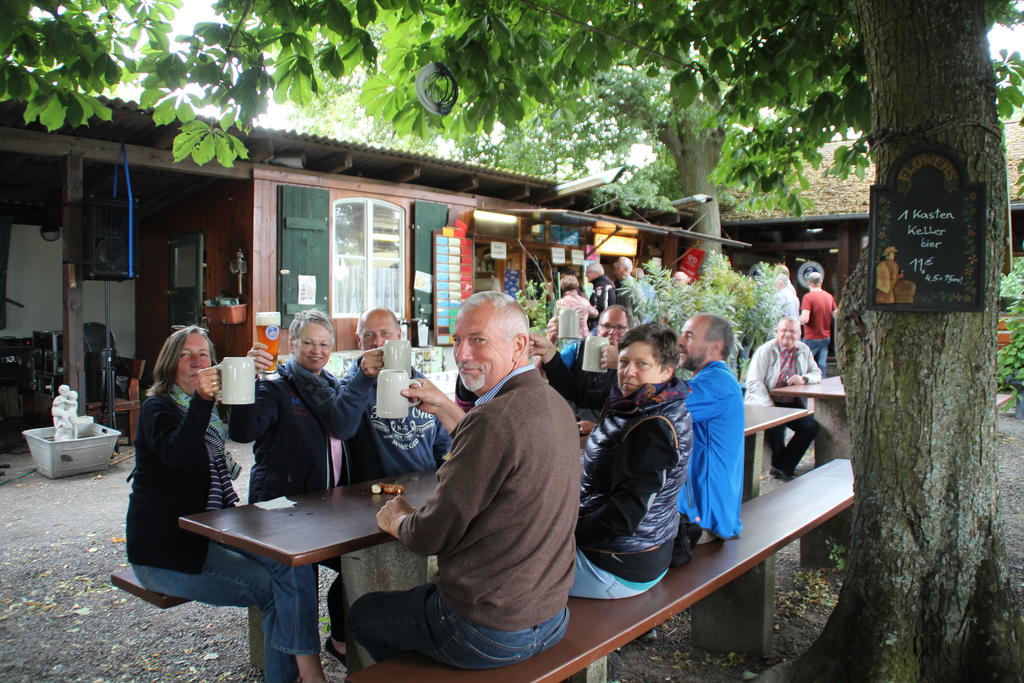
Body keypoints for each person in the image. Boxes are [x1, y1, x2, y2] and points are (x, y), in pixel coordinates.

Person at [346, 292, 580, 670]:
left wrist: (399, 519)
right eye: (457, 340)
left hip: (489, 631)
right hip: (552, 615)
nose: (462, 354)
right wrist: (443, 407)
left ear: (519, 345)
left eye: (478, 340)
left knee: (364, 614)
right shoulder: (552, 402)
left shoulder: (494, 419)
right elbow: (495, 454)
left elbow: (429, 536)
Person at [125, 326, 325, 683]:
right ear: (171, 363)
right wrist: (202, 401)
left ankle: (304, 672)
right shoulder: (159, 408)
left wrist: (248, 376)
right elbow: (179, 456)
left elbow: (244, 432)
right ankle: (302, 676)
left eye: (204, 354)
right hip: (166, 553)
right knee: (273, 589)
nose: (197, 362)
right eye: (186, 354)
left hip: (211, 534)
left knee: (292, 566)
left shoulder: (209, 412)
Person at [228, 309, 352, 666]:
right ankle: (302, 665)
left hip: (327, 509)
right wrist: (247, 381)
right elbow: (243, 431)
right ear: (292, 344)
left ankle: (340, 639)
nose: (317, 350)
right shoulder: (274, 386)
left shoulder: (333, 387)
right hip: (281, 510)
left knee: (363, 560)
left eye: (324, 343)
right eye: (309, 342)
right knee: (297, 578)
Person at [571, 323, 692, 599]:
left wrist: (565, 528)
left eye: (642, 364)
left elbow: (622, 519)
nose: (628, 372)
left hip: (620, 566)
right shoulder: (654, 403)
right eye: (624, 362)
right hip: (643, 549)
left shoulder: (653, 427)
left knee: (506, 574)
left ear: (666, 370)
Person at [335, 307, 452, 479]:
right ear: (358, 341)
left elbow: (443, 443)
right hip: (371, 495)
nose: (378, 342)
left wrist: (442, 481)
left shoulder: (422, 384)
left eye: (385, 333)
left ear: (399, 336)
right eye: (369, 335)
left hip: (425, 489)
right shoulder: (348, 389)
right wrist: (362, 379)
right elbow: (341, 429)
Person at [677, 313, 745, 541]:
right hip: (697, 511)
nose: (680, 341)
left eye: (689, 336)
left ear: (716, 347)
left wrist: (632, 363)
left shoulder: (718, 383)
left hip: (704, 521)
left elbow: (661, 404)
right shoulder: (709, 379)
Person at [744, 316, 821, 481]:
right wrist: (770, 407)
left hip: (791, 401)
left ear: (799, 333)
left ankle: (782, 466)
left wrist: (804, 378)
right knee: (776, 428)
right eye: (784, 330)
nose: (788, 335)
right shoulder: (766, 350)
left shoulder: (803, 350)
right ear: (777, 332)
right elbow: (754, 382)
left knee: (811, 427)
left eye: (792, 331)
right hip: (765, 400)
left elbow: (816, 373)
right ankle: (782, 468)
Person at [531, 305, 631, 426]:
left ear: (628, 331)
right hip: (570, 421)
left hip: (609, 427)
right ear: (598, 328)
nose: (612, 332)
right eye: (607, 326)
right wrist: (549, 341)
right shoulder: (578, 349)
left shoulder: (633, 363)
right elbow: (542, 375)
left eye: (620, 327)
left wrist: (623, 361)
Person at [800, 271, 838, 376]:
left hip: (811, 337)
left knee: (804, 364)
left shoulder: (808, 297)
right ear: (821, 282)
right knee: (822, 365)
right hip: (825, 337)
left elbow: (805, 319)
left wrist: (797, 319)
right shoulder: (829, 297)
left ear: (809, 283)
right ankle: (823, 385)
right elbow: (836, 315)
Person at [555, 273, 598, 339]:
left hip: (567, 337)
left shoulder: (560, 302)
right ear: (577, 285)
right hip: (584, 336)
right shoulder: (584, 301)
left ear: (562, 287)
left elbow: (556, 320)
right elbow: (595, 314)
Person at [585, 261, 617, 329]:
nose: (586, 275)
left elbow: (603, 306)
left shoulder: (601, 286)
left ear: (596, 273)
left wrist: (591, 312)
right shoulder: (599, 285)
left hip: (601, 326)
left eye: (588, 272)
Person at [611, 256, 636, 323]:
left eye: (618, 264)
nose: (614, 265)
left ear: (625, 269)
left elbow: (627, 311)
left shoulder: (627, 286)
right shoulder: (624, 283)